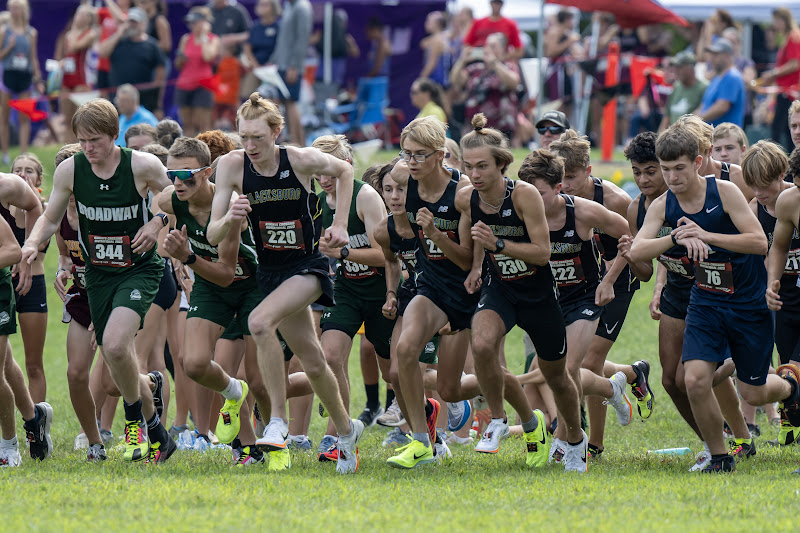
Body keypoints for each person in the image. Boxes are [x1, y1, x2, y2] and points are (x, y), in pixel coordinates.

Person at [628, 124, 800, 473]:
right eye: (666, 169)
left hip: (748, 303)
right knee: (692, 379)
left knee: (752, 393)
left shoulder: (724, 193)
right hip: (705, 302)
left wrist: (706, 235)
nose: (672, 177)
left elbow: (758, 242)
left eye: (679, 168)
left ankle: (792, 389)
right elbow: (638, 248)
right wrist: (675, 238)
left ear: (698, 161)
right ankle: (720, 457)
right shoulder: (664, 204)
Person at [208, 93, 363, 474]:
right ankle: (347, 432)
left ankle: (277, 420)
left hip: (309, 266)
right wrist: (230, 217)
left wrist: (339, 224)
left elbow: (345, 170)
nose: (250, 146)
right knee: (312, 361)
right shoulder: (231, 166)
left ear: (276, 132)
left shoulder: (300, 160)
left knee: (259, 322)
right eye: (244, 137)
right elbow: (212, 235)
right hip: (272, 271)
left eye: (258, 138)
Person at [20, 98, 175, 464]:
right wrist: (31, 242)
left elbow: (174, 199)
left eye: (96, 140)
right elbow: (51, 217)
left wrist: (156, 223)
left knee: (116, 346)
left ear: (114, 135)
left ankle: (139, 422)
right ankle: (157, 429)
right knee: (115, 355)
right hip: (99, 274)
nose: (88, 148)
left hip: (138, 269)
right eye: (82, 140)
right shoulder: (71, 171)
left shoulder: (142, 165)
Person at [459, 114, 575, 468]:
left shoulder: (524, 196)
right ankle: (497, 419)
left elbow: (542, 253)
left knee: (556, 377)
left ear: (502, 165)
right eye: (469, 167)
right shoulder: (468, 198)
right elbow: (479, 234)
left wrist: (499, 244)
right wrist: (478, 266)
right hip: (500, 289)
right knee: (481, 344)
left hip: (537, 295)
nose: (475, 175)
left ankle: (575, 439)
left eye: (482, 167)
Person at [157, 136, 268, 465]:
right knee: (192, 364)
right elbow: (158, 207)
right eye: (171, 174)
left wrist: (187, 257)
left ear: (207, 173)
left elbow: (226, 274)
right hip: (208, 283)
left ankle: (266, 445)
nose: (178, 182)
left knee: (261, 380)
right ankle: (235, 392)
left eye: (187, 175)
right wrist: (156, 226)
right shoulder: (172, 197)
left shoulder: (229, 206)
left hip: (250, 286)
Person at [518, 147, 632, 467]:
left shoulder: (583, 211)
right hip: (548, 300)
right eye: (528, 192)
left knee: (567, 371)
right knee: (554, 374)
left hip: (584, 297)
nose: (532, 200)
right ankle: (611, 387)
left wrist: (609, 280)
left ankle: (571, 442)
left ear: (557, 189)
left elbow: (628, 235)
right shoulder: (520, 213)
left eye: (539, 193)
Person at [384, 116, 481, 469]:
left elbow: (467, 258)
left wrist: (437, 234)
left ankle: (525, 413)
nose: (410, 162)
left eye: (419, 155)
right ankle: (422, 442)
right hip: (430, 284)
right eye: (406, 153)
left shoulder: (464, 193)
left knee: (452, 388)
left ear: (441, 155)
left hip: (466, 287)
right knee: (405, 355)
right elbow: (395, 172)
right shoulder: (403, 179)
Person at [302, 135, 392, 458]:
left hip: (381, 291)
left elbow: (387, 256)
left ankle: (425, 421)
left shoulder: (365, 197)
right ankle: (338, 434)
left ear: (346, 167)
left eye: (329, 172)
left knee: (391, 373)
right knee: (330, 357)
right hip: (345, 290)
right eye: (318, 172)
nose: (324, 180)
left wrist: (345, 253)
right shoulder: (316, 200)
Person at [53, 143, 108, 461]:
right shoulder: (59, 213)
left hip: (113, 294)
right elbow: (64, 253)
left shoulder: (103, 209)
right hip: (82, 297)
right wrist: (62, 271)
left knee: (113, 381)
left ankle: (146, 404)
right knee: (76, 374)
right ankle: (93, 441)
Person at [9, 154, 49, 403]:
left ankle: (37, 426)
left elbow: (40, 243)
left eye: (29, 171)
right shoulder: (2, 209)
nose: (23, 174)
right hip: (5, 286)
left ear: (39, 178)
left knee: (34, 365)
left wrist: (31, 203)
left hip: (32, 287)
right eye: (18, 170)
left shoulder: (44, 211)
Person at [450, 32, 520, 141]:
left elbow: (513, 82)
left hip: (501, 129)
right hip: (475, 127)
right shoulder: (477, 69)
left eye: (493, 46)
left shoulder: (509, 67)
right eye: (487, 46)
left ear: (502, 49)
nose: (488, 49)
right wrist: (461, 61)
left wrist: (495, 63)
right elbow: (455, 81)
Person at [98, 7, 165, 117]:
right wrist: (119, 33)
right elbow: (103, 52)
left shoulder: (152, 45)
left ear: (144, 24)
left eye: (135, 22)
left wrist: (157, 99)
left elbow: (160, 72)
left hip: (143, 98)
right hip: (118, 97)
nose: (132, 25)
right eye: (130, 22)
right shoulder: (118, 42)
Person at [0, 0, 44, 165]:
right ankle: (5, 153)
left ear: (23, 10)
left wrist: (38, 78)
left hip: (24, 76)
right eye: (11, 8)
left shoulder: (30, 33)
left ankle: (23, 153)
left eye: (16, 8)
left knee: (24, 116)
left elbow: (33, 57)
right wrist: (8, 48)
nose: (13, 11)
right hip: (8, 75)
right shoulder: (4, 30)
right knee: (4, 115)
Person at [269, 0, 312, 147]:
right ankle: (295, 141)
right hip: (282, 65)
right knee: (286, 103)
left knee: (291, 102)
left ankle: (297, 143)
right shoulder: (289, 6)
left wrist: (295, 66)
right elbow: (283, 40)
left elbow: (302, 39)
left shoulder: (302, 7)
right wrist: (273, 60)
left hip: (291, 67)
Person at [758, 8, 800, 151]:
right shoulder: (788, 37)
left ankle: (779, 163)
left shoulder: (793, 37)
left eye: (776, 20)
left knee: (781, 130)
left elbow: (795, 64)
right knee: (787, 131)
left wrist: (773, 73)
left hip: (789, 93)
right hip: (785, 92)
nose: (774, 24)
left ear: (783, 20)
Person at [175, 7, 220, 137]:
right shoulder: (186, 39)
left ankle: (208, 153)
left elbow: (208, 57)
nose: (191, 26)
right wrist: (181, 58)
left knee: (204, 125)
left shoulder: (212, 39)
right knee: (187, 125)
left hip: (203, 85)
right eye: (190, 23)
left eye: (195, 22)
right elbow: (179, 64)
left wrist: (204, 37)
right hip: (184, 84)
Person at [59, 5, 99, 144]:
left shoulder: (90, 33)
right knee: (67, 118)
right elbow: (68, 54)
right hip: (68, 77)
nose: (79, 17)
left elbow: (75, 47)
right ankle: (66, 149)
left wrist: (75, 30)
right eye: (78, 14)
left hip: (81, 79)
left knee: (79, 119)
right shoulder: (69, 35)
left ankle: (79, 148)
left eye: (83, 14)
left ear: (89, 19)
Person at [698, 38, 745, 127]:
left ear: (727, 56)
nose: (711, 58)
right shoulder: (717, 78)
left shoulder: (732, 76)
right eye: (711, 55)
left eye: (716, 55)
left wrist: (697, 121)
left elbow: (722, 107)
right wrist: (689, 120)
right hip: (714, 136)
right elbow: (703, 106)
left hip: (726, 137)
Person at [241, 0, 281, 98]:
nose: (261, 7)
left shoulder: (279, 27)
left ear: (273, 8)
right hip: (255, 67)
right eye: (260, 4)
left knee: (272, 99)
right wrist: (256, 65)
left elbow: (281, 48)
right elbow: (247, 48)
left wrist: (273, 63)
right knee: (247, 94)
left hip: (273, 68)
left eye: (265, 5)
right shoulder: (255, 27)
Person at [659, 51, 707, 132]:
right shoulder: (676, 87)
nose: (676, 70)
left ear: (690, 68)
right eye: (675, 67)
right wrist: (658, 139)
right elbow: (667, 117)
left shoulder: (703, 88)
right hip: (673, 138)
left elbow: (702, 115)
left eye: (680, 67)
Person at [420, 11, 452, 89]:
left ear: (438, 24)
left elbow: (432, 64)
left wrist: (421, 79)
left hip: (437, 82)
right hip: (444, 81)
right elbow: (423, 43)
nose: (426, 23)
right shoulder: (442, 38)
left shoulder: (436, 41)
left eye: (429, 21)